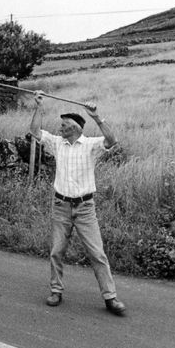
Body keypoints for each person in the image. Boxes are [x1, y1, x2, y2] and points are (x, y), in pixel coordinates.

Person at [29, 91, 127, 316]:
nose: (60, 128)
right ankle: (56, 291)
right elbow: (34, 131)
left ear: (75, 127)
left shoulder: (90, 145)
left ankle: (110, 298)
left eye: (64, 125)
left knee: (97, 254)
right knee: (56, 251)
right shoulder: (56, 143)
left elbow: (112, 141)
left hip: (85, 208)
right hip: (61, 206)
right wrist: (39, 106)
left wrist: (96, 116)